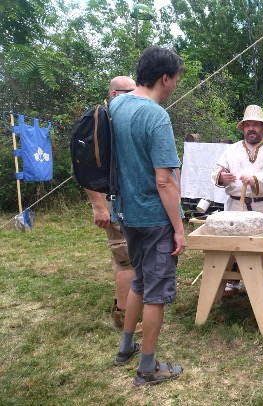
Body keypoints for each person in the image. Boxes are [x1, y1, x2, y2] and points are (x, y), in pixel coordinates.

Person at [109, 46, 187, 386]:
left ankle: (125, 347)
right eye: (175, 81)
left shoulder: (117, 105)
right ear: (165, 78)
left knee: (140, 280)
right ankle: (147, 368)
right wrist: (180, 228)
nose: (174, 87)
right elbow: (164, 179)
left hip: (126, 213)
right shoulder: (155, 115)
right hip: (154, 217)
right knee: (156, 291)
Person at [211, 105, 263, 297]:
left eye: (255, 125)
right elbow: (217, 169)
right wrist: (221, 176)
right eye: (247, 125)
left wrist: (255, 180)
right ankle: (233, 281)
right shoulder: (232, 150)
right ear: (243, 127)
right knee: (235, 243)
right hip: (236, 207)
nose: (251, 128)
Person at [84, 76, 141, 332]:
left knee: (122, 257)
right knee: (125, 258)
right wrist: (98, 205)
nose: (137, 95)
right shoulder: (103, 122)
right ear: (116, 94)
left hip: (124, 200)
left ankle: (125, 304)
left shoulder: (118, 119)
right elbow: (86, 166)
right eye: (131, 92)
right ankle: (125, 315)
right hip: (113, 202)